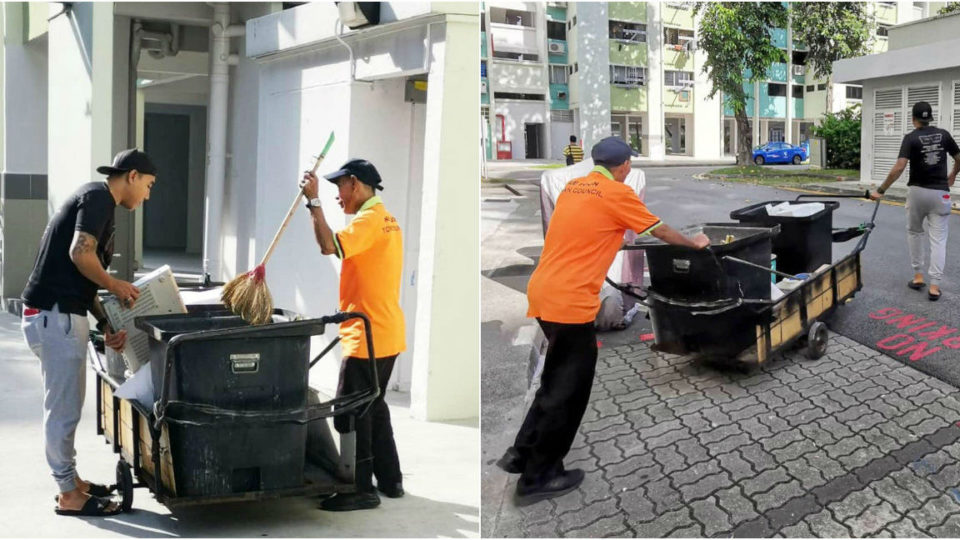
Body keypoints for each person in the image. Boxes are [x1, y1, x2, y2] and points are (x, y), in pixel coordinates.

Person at [497, 137, 710, 507]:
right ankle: (539, 477)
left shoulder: (572, 188)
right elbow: (658, 231)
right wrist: (694, 244)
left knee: (554, 380)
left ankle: (520, 453)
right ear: (624, 165)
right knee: (569, 391)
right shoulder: (617, 193)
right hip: (570, 302)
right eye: (630, 165)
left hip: (543, 293)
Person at [21, 148, 156, 516]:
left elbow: (82, 276)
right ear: (131, 176)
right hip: (56, 317)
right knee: (63, 409)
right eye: (148, 184)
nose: (148, 194)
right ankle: (68, 493)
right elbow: (81, 254)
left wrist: (107, 324)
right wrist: (115, 284)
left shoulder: (95, 199)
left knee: (67, 405)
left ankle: (71, 481)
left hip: (57, 315)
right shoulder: (98, 198)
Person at [299, 159, 406, 511]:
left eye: (338, 189)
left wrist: (313, 204)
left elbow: (329, 246)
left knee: (351, 413)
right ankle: (391, 480)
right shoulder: (387, 219)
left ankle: (361, 489)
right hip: (386, 331)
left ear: (356, 185)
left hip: (367, 335)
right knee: (373, 406)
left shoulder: (369, 221)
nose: (337, 197)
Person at [870, 101, 960, 301]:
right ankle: (935, 287)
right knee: (939, 240)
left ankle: (918, 276)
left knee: (915, 232)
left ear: (913, 119)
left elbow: (899, 167)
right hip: (940, 193)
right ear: (930, 118)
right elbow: (959, 156)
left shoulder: (911, 138)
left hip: (917, 192)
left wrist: (880, 190)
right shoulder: (944, 135)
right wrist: (953, 173)